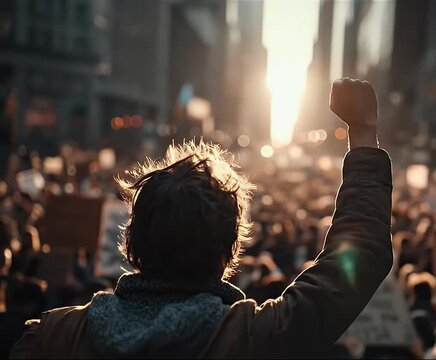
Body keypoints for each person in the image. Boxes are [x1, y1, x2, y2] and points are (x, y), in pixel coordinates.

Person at [10, 78, 394, 358]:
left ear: (130, 241)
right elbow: (361, 251)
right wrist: (362, 132)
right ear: (229, 251)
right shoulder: (256, 340)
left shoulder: (51, 338)